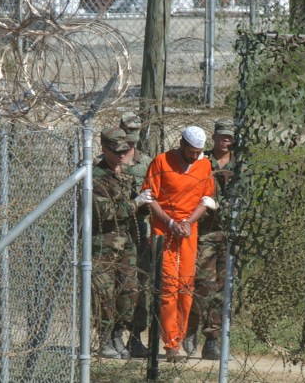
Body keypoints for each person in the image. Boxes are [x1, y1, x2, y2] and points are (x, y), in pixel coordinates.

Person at [142, 126, 216, 362]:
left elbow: (206, 199)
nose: (194, 156)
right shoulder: (161, 162)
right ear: (182, 144)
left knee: (185, 287)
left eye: (198, 152)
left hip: (188, 232)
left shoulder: (204, 165)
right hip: (164, 231)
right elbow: (149, 197)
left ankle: (180, 338)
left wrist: (187, 222)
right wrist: (171, 222)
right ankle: (171, 345)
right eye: (191, 151)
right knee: (168, 288)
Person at [91, 127, 156, 359]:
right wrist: (135, 203)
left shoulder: (127, 173)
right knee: (104, 294)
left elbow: (136, 211)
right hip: (102, 245)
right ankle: (106, 339)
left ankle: (123, 335)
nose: (121, 155)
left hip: (127, 243)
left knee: (129, 291)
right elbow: (104, 212)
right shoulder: (96, 176)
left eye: (125, 150)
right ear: (104, 149)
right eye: (116, 151)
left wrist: (148, 203)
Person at [184, 119, 236, 360]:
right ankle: (190, 328)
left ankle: (212, 339)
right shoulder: (201, 161)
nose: (226, 141)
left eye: (230, 137)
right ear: (214, 136)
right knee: (202, 286)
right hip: (205, 232)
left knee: (223, 290)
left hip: (230, 235)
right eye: (222, 136)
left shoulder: (240, 164)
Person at [119, 112, 154, 358]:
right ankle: (111, 335)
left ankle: (135, 336)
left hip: (140, 230)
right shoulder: (108, 160)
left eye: (135, 134)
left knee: (140, 285)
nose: (131, 140)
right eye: (127, 133)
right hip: (114, 231)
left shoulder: (147, 162)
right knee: (115, 285)